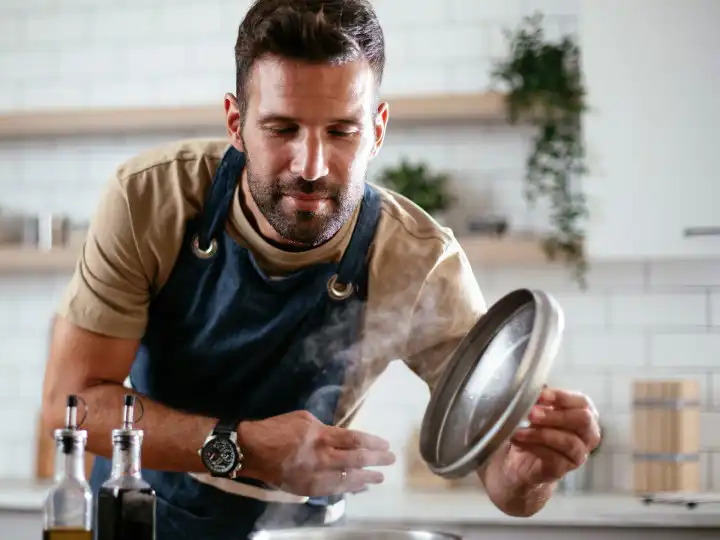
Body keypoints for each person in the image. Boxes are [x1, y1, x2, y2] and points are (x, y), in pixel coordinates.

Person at [43, 0, 602, 538]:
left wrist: (532, 472)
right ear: (236, 123)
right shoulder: (152, 199)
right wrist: (246, 447)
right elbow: (72, 406)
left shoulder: (418, 260)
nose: (311, 167)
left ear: (378, 130)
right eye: (282, 129)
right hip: (141, 522)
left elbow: (504, 479)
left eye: (341, 131)